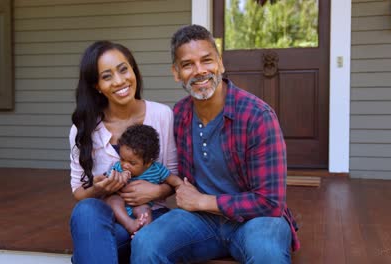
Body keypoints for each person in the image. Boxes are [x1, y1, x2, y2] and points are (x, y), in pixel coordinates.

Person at [131, 24, 300, 264]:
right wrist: (156, 190)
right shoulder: (178, 115)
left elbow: (270, 202)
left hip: (255, 220)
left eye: (206, 60)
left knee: (267, 254)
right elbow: (167, 171)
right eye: (188, 64)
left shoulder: (257, 116)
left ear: (220, 63)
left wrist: (203, 201)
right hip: (200, 221)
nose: (199, 71)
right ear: (176, 72)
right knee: (146, 243)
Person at [69, 40, 177, 264]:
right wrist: (98, 189)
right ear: (97, 85)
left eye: (123, 69)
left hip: (152, 213)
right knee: (86, 209)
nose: (119, 81)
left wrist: (155, 192)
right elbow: (78, 192)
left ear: (133, 70)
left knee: (88, 253)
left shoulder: (162, 115)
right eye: (106, 76)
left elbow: (173, 176)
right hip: (107, 214)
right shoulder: (84, 128)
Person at [104, 124, 182, 234]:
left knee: (145, 210)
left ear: (148, 162)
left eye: (132, 163)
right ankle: (129, 224)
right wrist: (117, 179)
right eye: (122, 159)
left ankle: (143, 233)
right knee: (113, 200)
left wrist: (182, 186)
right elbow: (106, 182)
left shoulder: (157, 169)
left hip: (140, 205)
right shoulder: (117, 167)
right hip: (120, 208)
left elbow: (174, 180)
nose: (125, 165)